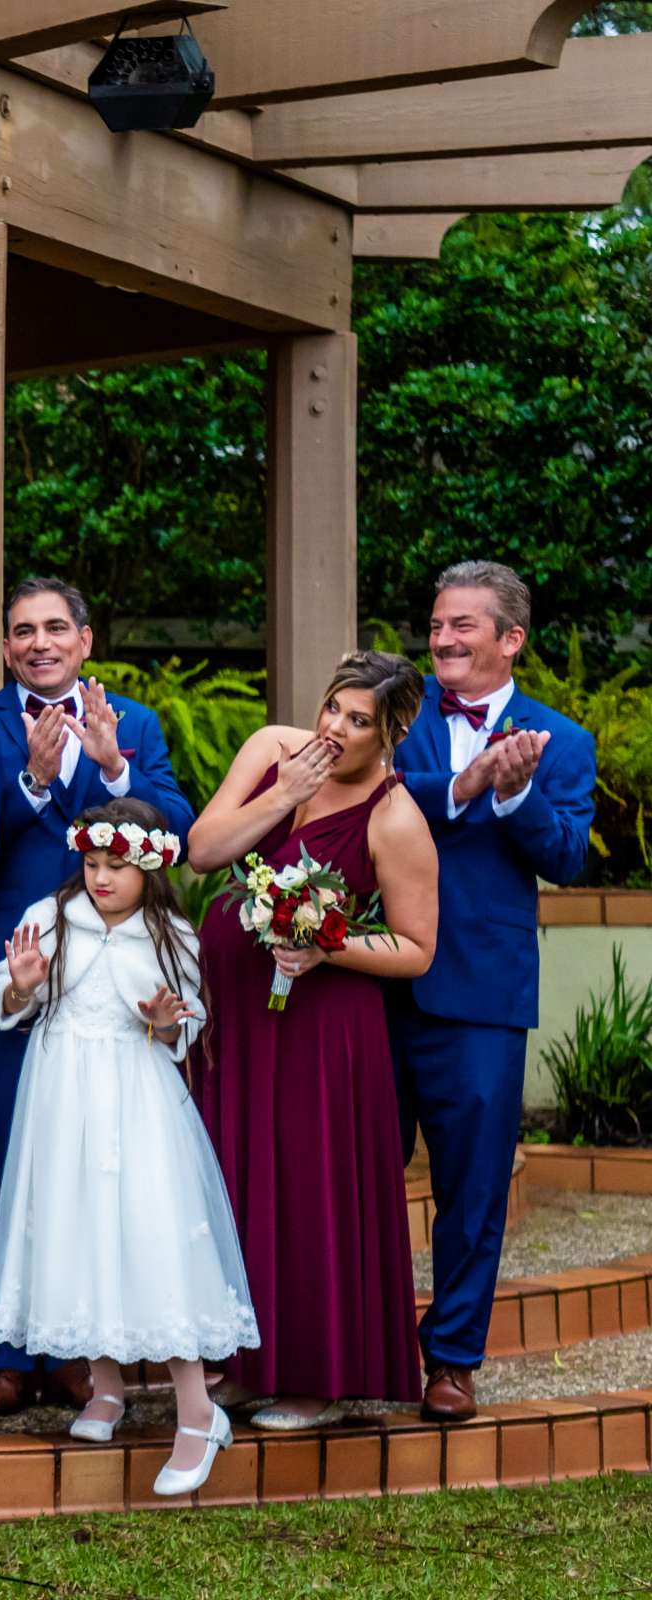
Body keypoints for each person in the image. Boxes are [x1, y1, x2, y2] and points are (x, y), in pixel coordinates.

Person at [0, 579, 196, 1416]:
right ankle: (3, 1351)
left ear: (86, 639)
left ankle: (76, 1352)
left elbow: (174, 828)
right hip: (20, 962)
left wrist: (110, 767)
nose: (39, 642)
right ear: (5, 647)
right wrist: (30, 782)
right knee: (6, 1161)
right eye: (22, 630)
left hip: (114, 974)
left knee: (97, 1165)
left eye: (55, 627)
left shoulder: (131, 723)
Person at [190, 651, 438, 1428]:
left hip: (320, 1035)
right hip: (232, 1013)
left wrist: (328, 946)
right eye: (333, 706)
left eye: (358, 720)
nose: (334, 727)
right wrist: (285, 795)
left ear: (393, 731)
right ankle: (239, 1360)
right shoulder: (272, 750)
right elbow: (203, 850)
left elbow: (416, 949)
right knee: (232, 1178)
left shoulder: (395, 818)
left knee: (305, 1191)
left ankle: (315, 1376)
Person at [0, 798, 259, 1497]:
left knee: (147, 1233)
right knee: (79, 1225)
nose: (101, 877)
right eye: (93, 862)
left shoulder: (171, 936)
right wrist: (18, 990)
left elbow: (184, 1032)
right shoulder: (50, 919)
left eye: (118, 866)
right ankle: (105, 1389)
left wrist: (168, 1026)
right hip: (60, 1096)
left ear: (150, 869)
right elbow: (10, 994)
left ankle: (197, 1415)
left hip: (135, 1101)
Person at [391, 561, 595, 1421]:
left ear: (510, 639)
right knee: (360, 1171)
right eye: (437, 625)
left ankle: (453, 1360)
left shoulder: (562, 740)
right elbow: (370, 799)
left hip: (482, 992)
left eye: (462, 626)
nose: (442, 640)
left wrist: (515, 799)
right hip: (375, 978)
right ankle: (359, 1345)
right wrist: (464, 785)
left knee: (471, 1189)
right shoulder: (397, 722)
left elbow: (567, 858)